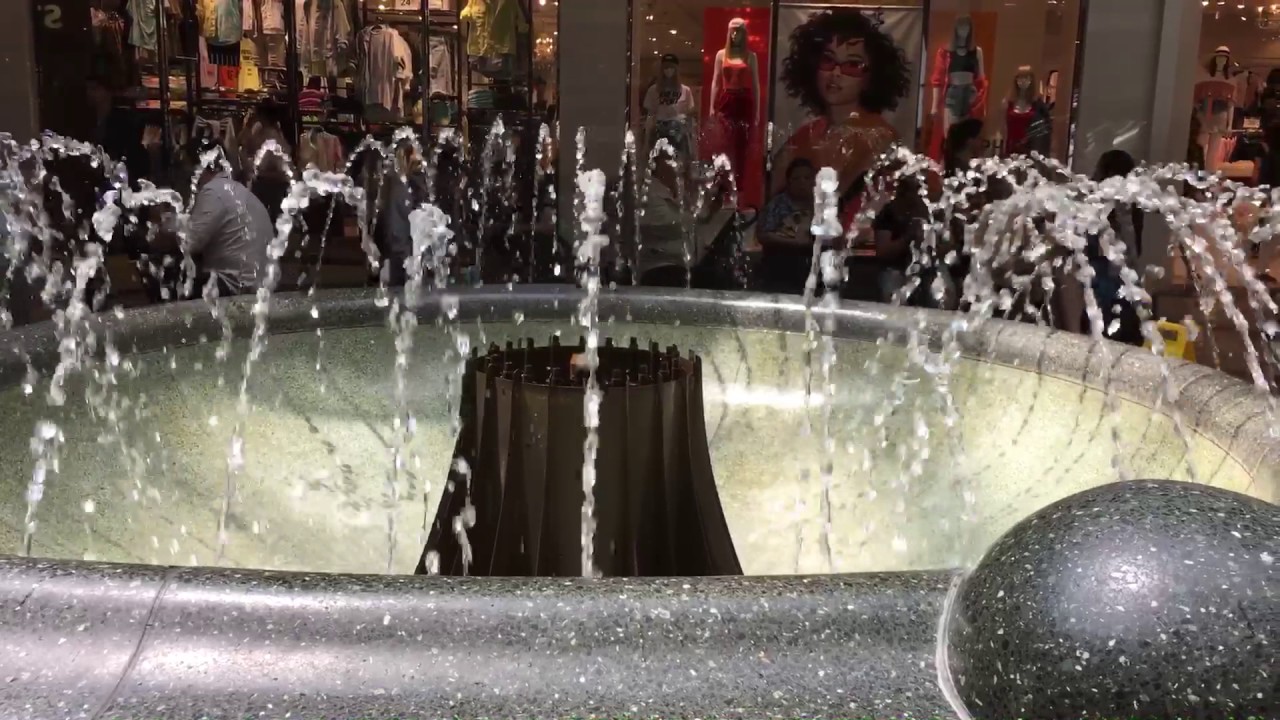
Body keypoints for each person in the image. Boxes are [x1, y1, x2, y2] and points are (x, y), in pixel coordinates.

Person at [774, 10, 911, 230]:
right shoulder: (803, 136)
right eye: (828, 60)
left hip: (854, 256)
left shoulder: (879, 136)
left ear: (870, 77)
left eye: (852, 65)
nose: (836, 73)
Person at [160, 139, 273, 297]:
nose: (190, 179)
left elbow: (190, 243)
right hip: (260, 285)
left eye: (190, 171)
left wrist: (168, 226)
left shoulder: (213, 191)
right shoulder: (238, 191)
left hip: (233, 286)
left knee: (169, 275)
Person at [1087, 149, 1144, 344]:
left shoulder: (1092, 203)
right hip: (1117, 288)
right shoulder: (1128, 205)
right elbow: (1133, 253)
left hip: (1100, 288)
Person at [756, 157, 816, 294]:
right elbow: (763, 235)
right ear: (789, 182)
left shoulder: (823, 205)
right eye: (796, 179)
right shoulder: (776, 205)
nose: (802, 183)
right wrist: (794, 242)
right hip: (780, 270)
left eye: (807, 178)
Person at [86, 74, 149, 185]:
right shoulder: (87, 119)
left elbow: (131, 151)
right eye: (89, 89)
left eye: (95, 89)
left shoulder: (122, 120)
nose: (90, 94)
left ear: (107, 92)